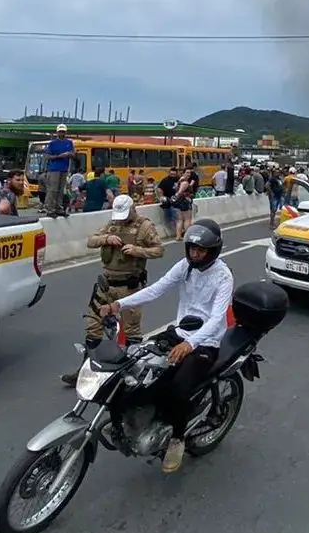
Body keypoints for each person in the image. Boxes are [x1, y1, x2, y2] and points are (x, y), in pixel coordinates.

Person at [100, 219, 233, 474]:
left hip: (206, 342)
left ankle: (178, 438)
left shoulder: (223, 276)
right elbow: (156, 289)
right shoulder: (186, 267)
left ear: (213, 251)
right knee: (135, 370)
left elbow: (217, 318)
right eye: (191, 249)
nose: (194, 254)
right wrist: (119, 305)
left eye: (200, 250)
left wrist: (190, 344)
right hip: (180, 332)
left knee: (178, 389)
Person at [60, 195, 164, 386]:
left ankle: (131, 374)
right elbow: (91, 240)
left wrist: (138, 251)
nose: (122, 219)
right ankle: (86, 369)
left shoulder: (145, 227)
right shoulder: (112, 224)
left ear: (133, 209)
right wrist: (107, 238)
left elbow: (159, 250)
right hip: (106, 285)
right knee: (93, 327)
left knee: (131, 332)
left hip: (130, 286)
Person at [43, 124, 74, 218]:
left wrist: (69, 154)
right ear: (57, 132)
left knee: (61, 190)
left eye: (63, 131)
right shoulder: (52, 143)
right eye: (60, 131)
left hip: (64, 169)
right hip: (53, 169)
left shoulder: (69, 142)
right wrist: (59, 156)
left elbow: (74, 154)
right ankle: (50, 209)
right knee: (52, 190)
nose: (62, 133)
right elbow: (47, 156)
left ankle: (59, 208)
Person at [173, 168, 197, 238]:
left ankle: (178, 236)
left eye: (189, 173)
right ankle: (187, 236)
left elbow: (176, 188)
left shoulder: (180, 181)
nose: (188, 174)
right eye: (187, 172)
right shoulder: (185, 182)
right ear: (183, 173)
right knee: (187, 219)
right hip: (185, 202)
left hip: (179, 202)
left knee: (180, 220)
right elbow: (180, 192)